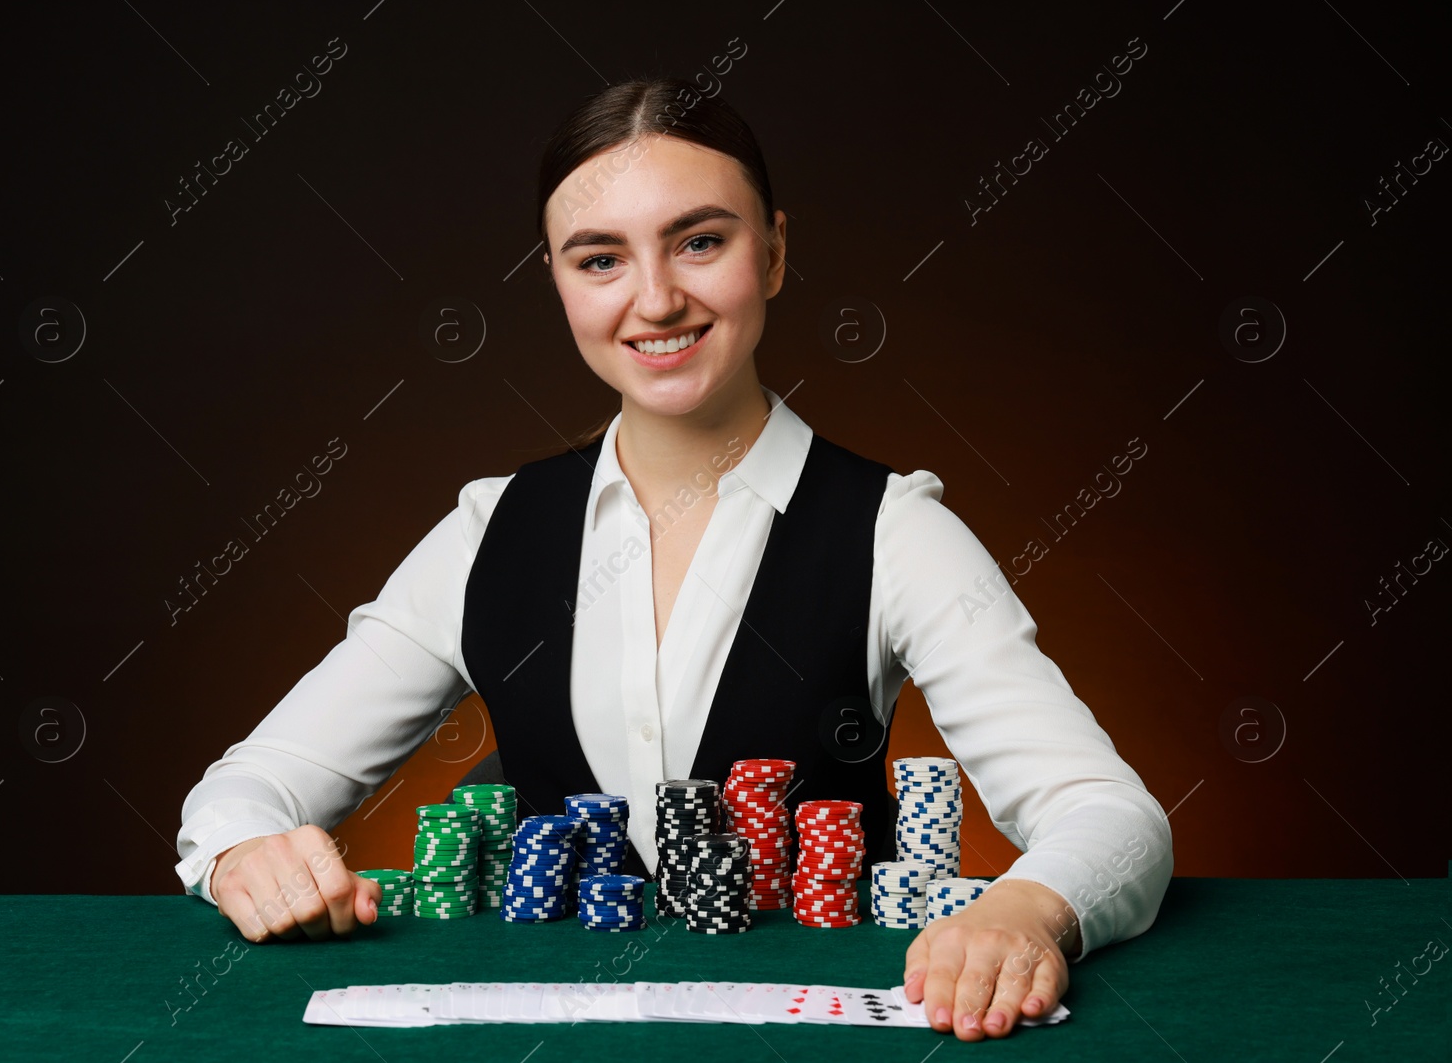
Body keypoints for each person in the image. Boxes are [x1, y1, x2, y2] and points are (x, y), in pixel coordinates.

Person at [175, 77, 1172, 1042]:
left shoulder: (890, 527)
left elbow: (1111, 815)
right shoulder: (491, 529)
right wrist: (240, 852)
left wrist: (1030, 906)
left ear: (774, 252)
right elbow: (245, 788)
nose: (655, 300)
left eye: (699, 241)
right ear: (556, 281)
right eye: (598, 259)